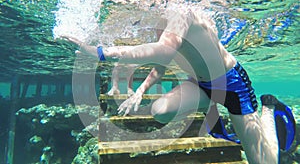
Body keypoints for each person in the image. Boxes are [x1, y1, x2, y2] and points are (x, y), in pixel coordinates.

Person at [63, 8, 295, 164]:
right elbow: (161, 64)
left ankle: (268, 108)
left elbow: (163, 51)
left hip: (232, 85)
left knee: (263, 162)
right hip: (201, 84)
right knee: (160, 111)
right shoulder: (160, 25)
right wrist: (140, 92)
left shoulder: (181, 13)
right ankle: (211, 111)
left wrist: (102, 53)